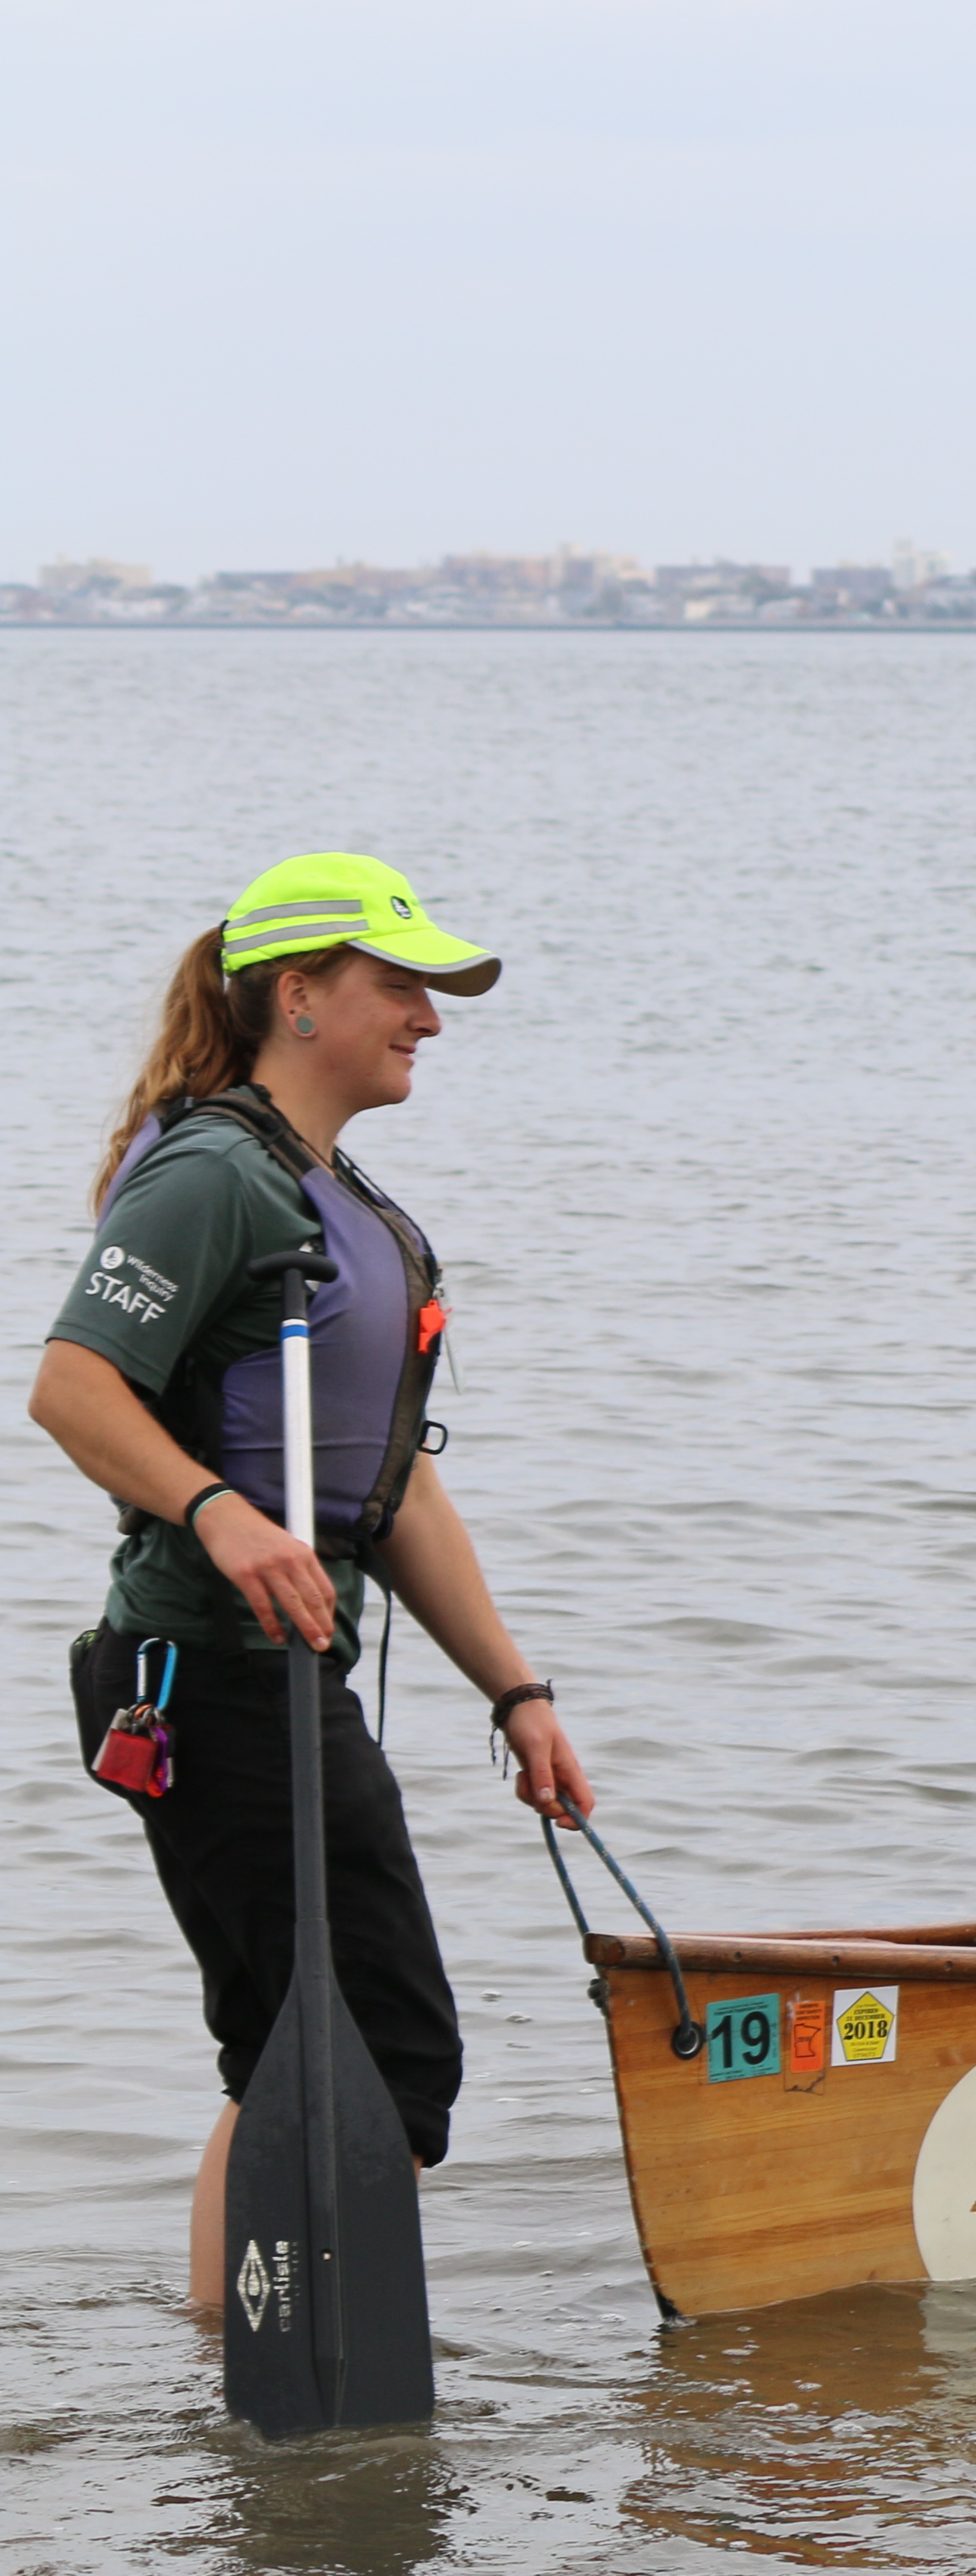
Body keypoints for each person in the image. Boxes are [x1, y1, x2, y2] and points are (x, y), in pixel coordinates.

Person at [31, 854, 594, 2309]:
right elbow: (74, 1386)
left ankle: (233, 2351)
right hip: (198, 1670)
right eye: (398, 984)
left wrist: (516, 1689)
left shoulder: (350, 1202)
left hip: (282, 1665)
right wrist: (218, 1510)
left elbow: (390, 1492)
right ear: (298, 995)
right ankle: (260, 2364)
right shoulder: (212, 1172)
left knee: (328, 2042)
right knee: (365, 2051)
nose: (429, 1018)